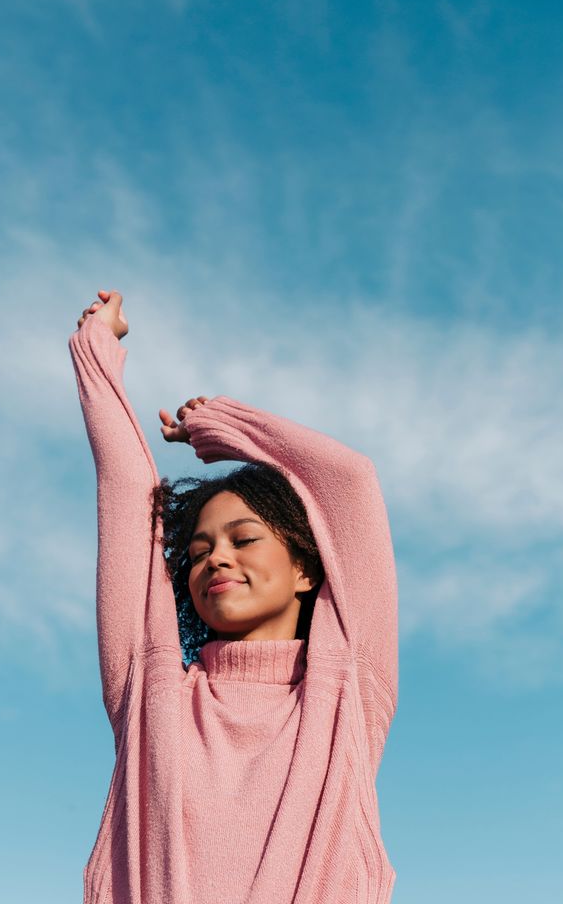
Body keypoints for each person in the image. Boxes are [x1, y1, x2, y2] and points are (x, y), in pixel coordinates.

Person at [69, 288, 399, 904]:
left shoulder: (347, 689)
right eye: (197, 553)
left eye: (244, 539)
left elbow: (350, 482)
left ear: (306, 570)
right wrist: (96, 351)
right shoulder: (152, 691)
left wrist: (220, 427)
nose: (216, 558)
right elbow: (126, 491)